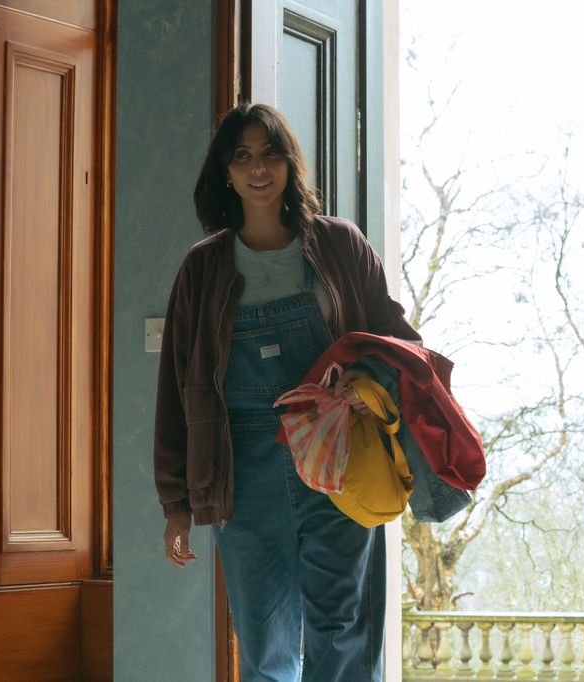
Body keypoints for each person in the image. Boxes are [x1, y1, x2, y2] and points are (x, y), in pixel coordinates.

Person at [152, 102, 421, 682]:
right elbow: (178, 393)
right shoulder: (202, 270)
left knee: (340, 631)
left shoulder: (340, 247)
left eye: (270, 152)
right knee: (266, 646)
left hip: (339, 461)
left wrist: (366, 382)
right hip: (241, 472)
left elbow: (399, 342)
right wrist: (176, 505)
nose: (258, 167)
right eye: (242, 155)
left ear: (289, 163)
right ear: (226, 170)